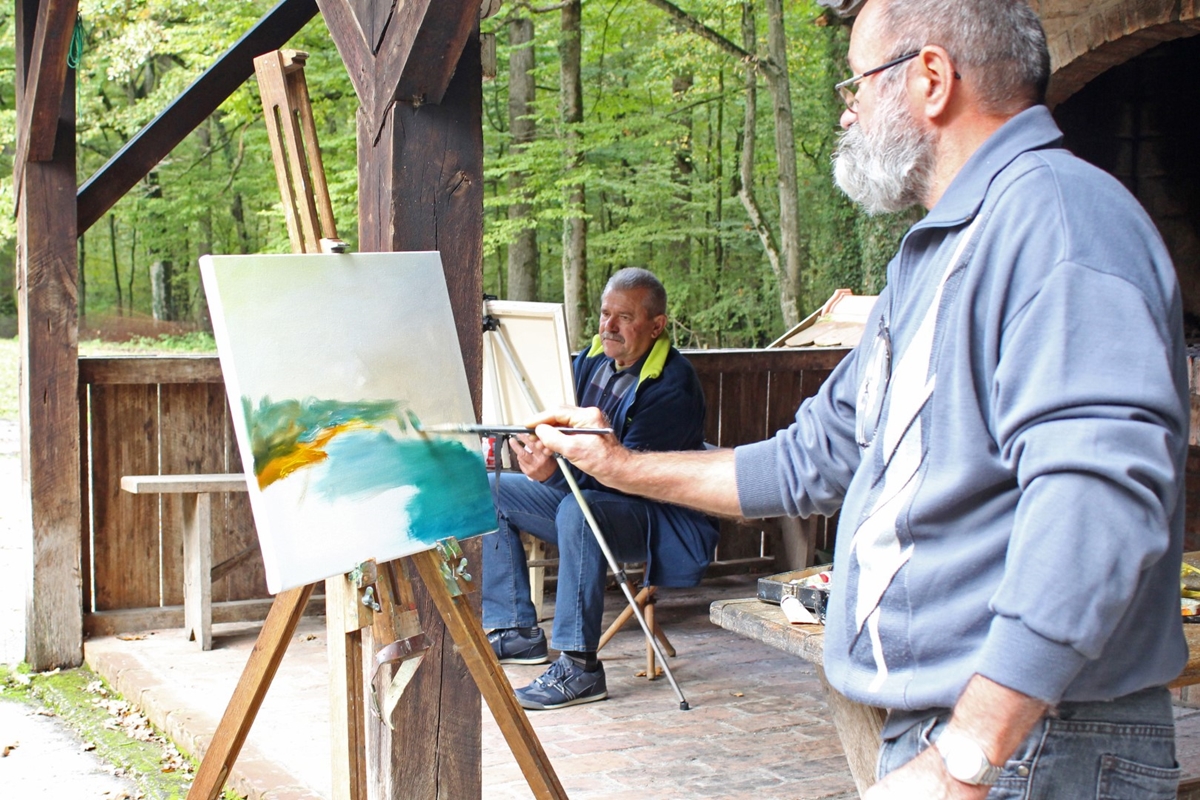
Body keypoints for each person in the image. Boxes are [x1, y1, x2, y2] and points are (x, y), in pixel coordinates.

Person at [529, 0, 1188, 795]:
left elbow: (1097, 504)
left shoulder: (1060, 223)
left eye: (858, 82)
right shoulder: (937, 254)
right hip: (977, 737)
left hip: (1035, 742)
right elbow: (805, 462)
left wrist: (969, 753)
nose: (846, 110)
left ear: (931, 78)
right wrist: (617, 464)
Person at [482, 267, 719, 711]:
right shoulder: (591, 360)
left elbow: (629, 479)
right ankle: (515, 631)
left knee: (579, 510)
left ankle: (580, 668)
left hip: (656, 518)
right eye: (605, 313)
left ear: (656, 326)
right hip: (584, 494)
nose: (608, 326)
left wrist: (552, 475)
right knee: (488, 488)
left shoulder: (672, 386)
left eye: (624, 317)